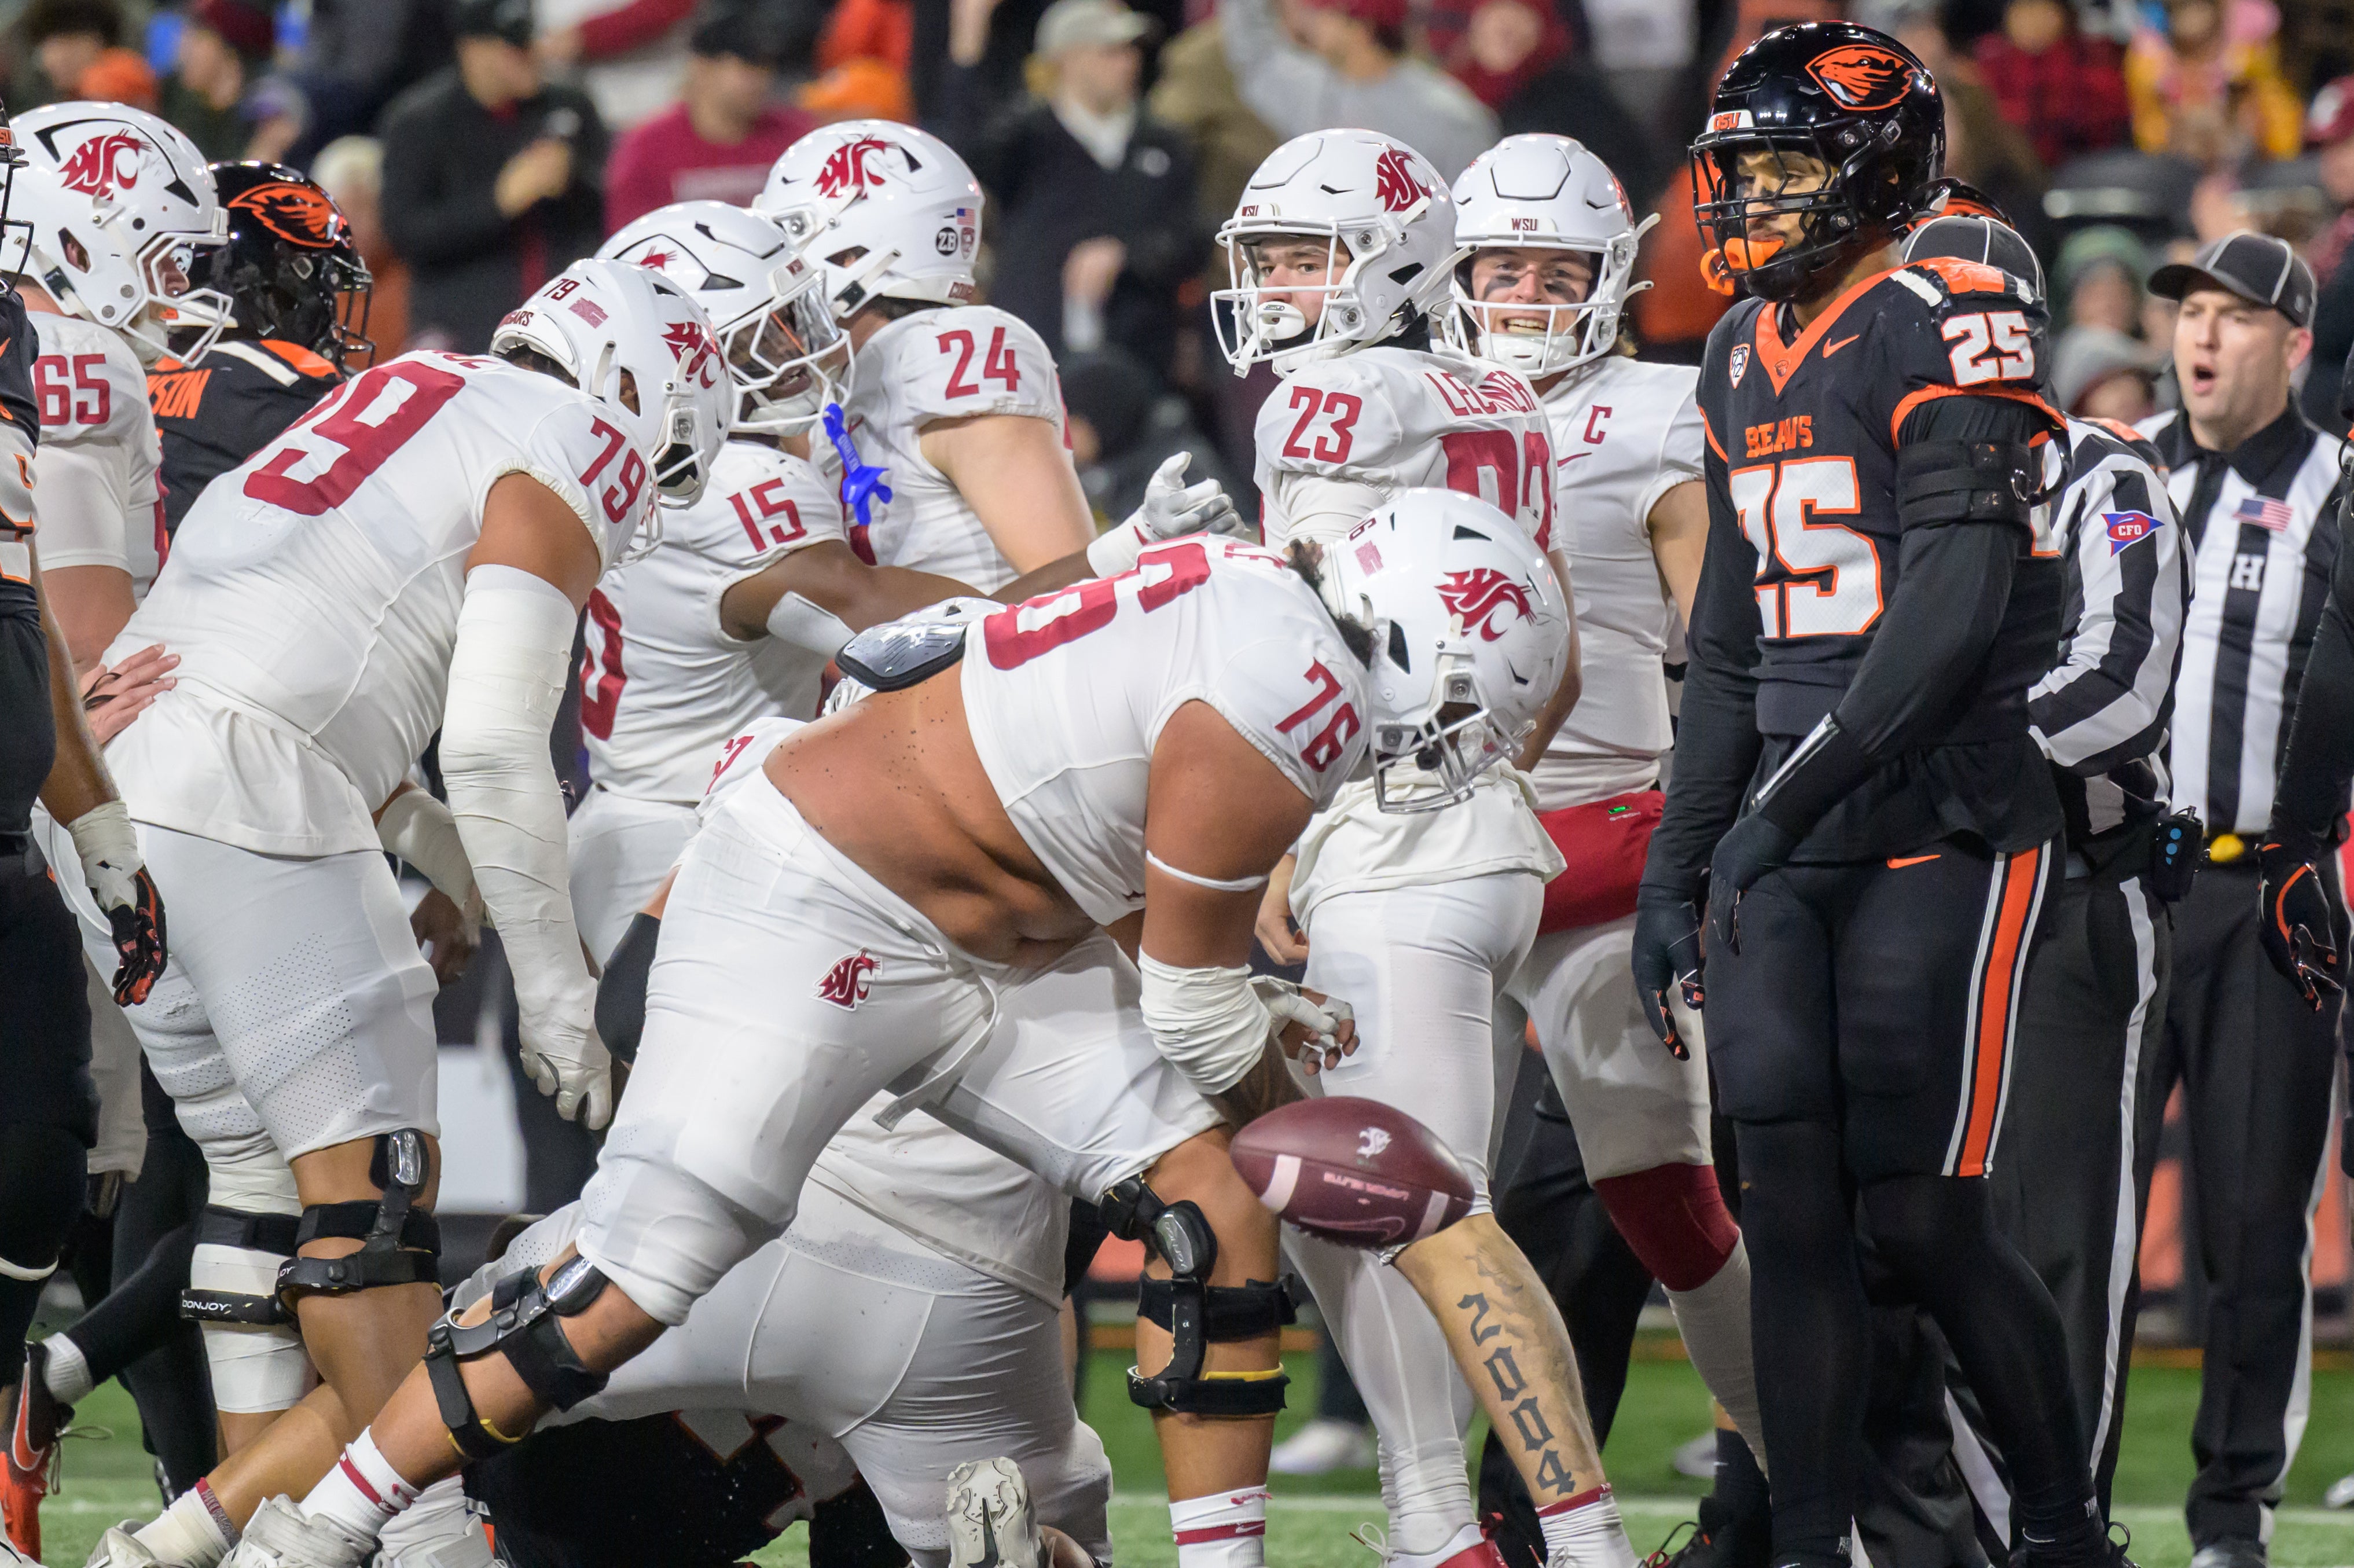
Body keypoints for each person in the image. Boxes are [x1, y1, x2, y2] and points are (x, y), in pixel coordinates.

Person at [206, 501, 1563, 1568]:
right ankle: (316, 1532)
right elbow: (1192, 1003)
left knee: (1213, 1208)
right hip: (820, 908)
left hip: (992, 953)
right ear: (1409, 641)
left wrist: (1243, 1053)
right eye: (1459, 708)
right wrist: (1299, 1105)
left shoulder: (1247, 594)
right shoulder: (1295, 692)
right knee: (639, 1274)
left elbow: (1002, 750)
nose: (1437, 750)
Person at [72, 257, 732, 1568]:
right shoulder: (575, 432)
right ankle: (426, 1543)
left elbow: (327, 685)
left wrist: (462, 878)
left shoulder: (403, 391)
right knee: (375, 1218)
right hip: (249, 797)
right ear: (633, 396)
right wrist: (556, 997)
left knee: (266, 1200)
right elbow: (489, 747)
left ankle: (220, 1540)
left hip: (117, 782)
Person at [1643, 23, 2122, 1568]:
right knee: (1785, 1203)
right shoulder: (1732, 350)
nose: (1754, 202)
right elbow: (1723, 641)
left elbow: (1955, 604)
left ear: (1875, 167)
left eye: (1785, 168)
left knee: (1917, 1215)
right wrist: (1685, 853)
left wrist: (1783, 807)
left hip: (1937, 806)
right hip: (1792, 820)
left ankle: (2059, 1530)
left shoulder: (1950, 300)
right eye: (1744, 173)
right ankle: (1804, 1539)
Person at [1224, 128, 1641, 1568]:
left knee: (1414, 1209)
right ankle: (1444, 1527)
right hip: (1494, 834)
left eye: (1299, 254)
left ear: (1388, 257)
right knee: (1378, 1200)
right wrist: (1474, 787)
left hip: (1380, 842)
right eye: (1265, 256)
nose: (1275, 285)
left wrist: (1293, 833)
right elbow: (1562, 663)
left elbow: (1308, 655)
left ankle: (1498, 1532)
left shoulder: (1327, 395)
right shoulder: (1494, 393)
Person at [450, 713, 1119, 1568]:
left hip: (706, 1319)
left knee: (466, 1359)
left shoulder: (785, 810)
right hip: (910, 1347)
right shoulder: (1065, 897)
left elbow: (627, 1017)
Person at [8, 160, 375, 1556]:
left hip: (101, 789)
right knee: (253, 1171)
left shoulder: (116, 372)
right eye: (153, 253)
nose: (172, 289)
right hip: (153, 792)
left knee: (161, 1163)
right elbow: (95, 637)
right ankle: (147, 1472)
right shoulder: (139, 372)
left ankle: (112, 1438)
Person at [1444, 129, 1764, 1486]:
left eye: (1551, 265)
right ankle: (1450, 1500)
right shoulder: (1395, 397)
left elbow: (1727, 653)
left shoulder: (1654, 412)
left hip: (1596, 839)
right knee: (1391, 1201)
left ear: (1612, 272)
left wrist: (1698, 850)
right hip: (1419, 844)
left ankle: (1785, 1477)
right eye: (1500, 264)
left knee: (1665, 1200)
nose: (1522, 292)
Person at [2132, 231, 2344, 1568]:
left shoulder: (2338, 489)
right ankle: (2053, 1504)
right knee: (2067, 1230)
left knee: (2257, 1235)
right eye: (2189, 313)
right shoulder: (2118, 468)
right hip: (2115, 896)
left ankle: (2232, 1522)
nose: (2202, 337)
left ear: (2296, 345)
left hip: (2266, 895)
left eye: (2235, 316)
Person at [0, 111, 172, 1553]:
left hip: (20, 816)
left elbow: (37, 620)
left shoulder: (17, 344)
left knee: (42, 1163)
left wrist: (105, 842)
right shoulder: (71, 357)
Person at [753, 122, 1097, 590]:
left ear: (854, 254)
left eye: (789, 242)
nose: (775, 272)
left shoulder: (946, 350)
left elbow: (1073, 592)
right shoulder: (843, 379)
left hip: (1000, 660)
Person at [937, 0, 1204, 373]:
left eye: (1132, 51)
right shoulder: (1026, 139)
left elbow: (1192, 237)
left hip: (1139, 357)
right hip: (1034, 353)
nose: (1129, 63)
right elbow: (958, 155)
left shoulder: (1162, 143)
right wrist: (968, 48)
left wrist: (1128, 257)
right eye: (1110, 52)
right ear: (1068, 60)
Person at [149, 161, 369, 535]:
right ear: (269, 283)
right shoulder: (284, 382)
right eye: (321, 286)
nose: (327, 308)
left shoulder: (131, 366)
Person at [378, 0, 608, 353]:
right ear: (472, 49)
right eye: (514, 47)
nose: (530, 55)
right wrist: (498, 202)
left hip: (567, 328)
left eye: (531, 42)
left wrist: (575, 179)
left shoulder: (568, 105)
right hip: (462, 331)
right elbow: (405, 234)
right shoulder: (420, 122)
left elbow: (610, 205)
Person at [1215, 0, 1497, 182]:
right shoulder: (1311, 86)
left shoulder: (1450, 119)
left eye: (1326, 13)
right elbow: (1253, 53)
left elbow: (1471, 215)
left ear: (1362, 29)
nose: (1313, 20)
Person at [600, 5, 813, 232]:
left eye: (765, 67)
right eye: (746, 67)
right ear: (702, 68)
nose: (760, 80)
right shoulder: (648, 148)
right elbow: (631, 241)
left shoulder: (797, 138)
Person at [1971, 0, 2131, 172]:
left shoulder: (2090, 59)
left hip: (2084, 166)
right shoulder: (1990, 65)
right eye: (2025, 11)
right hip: (2011, 174)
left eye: (2043, 10)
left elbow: (2105, 121)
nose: (2033, 22)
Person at [159, 0, 280, 162]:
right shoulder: (179, 106)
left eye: (198, 37)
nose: (182, 48)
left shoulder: (264, 124)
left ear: (230, 54)